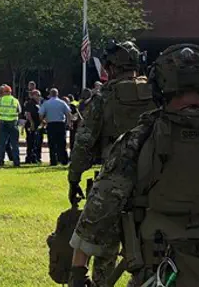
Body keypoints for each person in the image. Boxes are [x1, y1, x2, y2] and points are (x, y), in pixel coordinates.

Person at [69, 44, 199, 287]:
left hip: (158, 272)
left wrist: (78, 272)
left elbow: (99, 210)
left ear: (160, 87)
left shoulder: (137, 140)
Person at [68, 40, 156, 287]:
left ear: (110, 67)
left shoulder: (105, 96)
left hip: (114, 179)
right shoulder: (158, 93)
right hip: (156, 182)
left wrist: (73, 178)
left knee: (103, 246)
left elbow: (84, 141)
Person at [39, 88, 71, 166]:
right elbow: (68, 113)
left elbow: (40, 114)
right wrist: (68, 123)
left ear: (50, 94)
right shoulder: (62, 102)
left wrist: (43, 121)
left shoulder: (46, 103)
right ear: (57, 94)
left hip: (51, 124)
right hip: (60, 124)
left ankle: (53, 161)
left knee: (52, 143)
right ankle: (64, 160)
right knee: (62, 143)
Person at [0, 84, 21, 167]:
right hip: (13, 123)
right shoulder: (15, 100)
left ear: (3, 92)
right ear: (10, 92)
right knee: (14, 144)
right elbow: (19, 111)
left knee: (2, 143)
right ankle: (16, 162)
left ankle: (0, 161)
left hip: (2, 123)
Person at [23, 89, 43, 164]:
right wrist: (32, 123)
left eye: (39, 95)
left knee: (35, 142)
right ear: (33, 95)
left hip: (37, 125)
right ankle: (29, 158)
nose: (39, 97)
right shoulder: (30, 103)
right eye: (37, 95)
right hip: (31, 125)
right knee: (30, 141)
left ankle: (35, 157)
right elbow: (28, 114)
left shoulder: (38, 103)